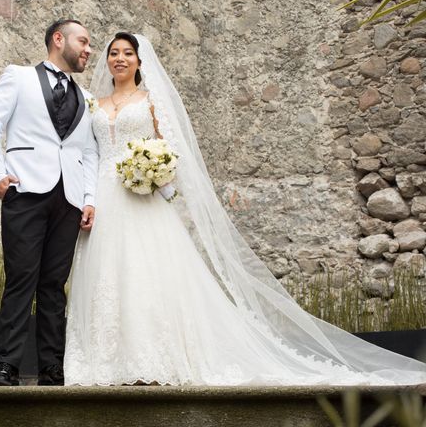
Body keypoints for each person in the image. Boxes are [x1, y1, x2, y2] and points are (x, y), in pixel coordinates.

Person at [64, 32, 426, 386]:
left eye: (128, 52)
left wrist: (154, 173)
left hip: (141, 198)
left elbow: (172, 152)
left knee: (145, 274)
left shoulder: (151, 101)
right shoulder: (95, 103)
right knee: (105, 275)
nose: (120, 58)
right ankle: (107, 360)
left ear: (140, 61)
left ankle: (151, 358)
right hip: (103, 200)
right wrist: (87, 197)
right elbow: (88, 152)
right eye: (114, 53)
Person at [0, 19, 99, 386]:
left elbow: (89, 151)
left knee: (53, 286)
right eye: (84, 41)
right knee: (21, 279)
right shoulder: (18, 77)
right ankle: (7, 365)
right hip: (25, 191)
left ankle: (52, 369)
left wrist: (88, 197)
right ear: (59, 40)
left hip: (69, 200)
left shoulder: (85, 98)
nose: (89, 49)